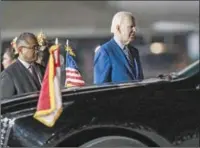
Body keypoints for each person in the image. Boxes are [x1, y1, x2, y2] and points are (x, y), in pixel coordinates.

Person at [94, 11, 144, 84]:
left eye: (134, 27)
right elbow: (100, 87)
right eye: (131, 27)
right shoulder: (105, 51)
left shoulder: (134, 51)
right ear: (118, 28)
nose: (134, 30)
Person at [0, 32, 45, 100]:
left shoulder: (43, 69)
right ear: (20, 50)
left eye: (37, 47)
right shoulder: (8, 75)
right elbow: (5, 106)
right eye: (33, 47)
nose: (37, 51)